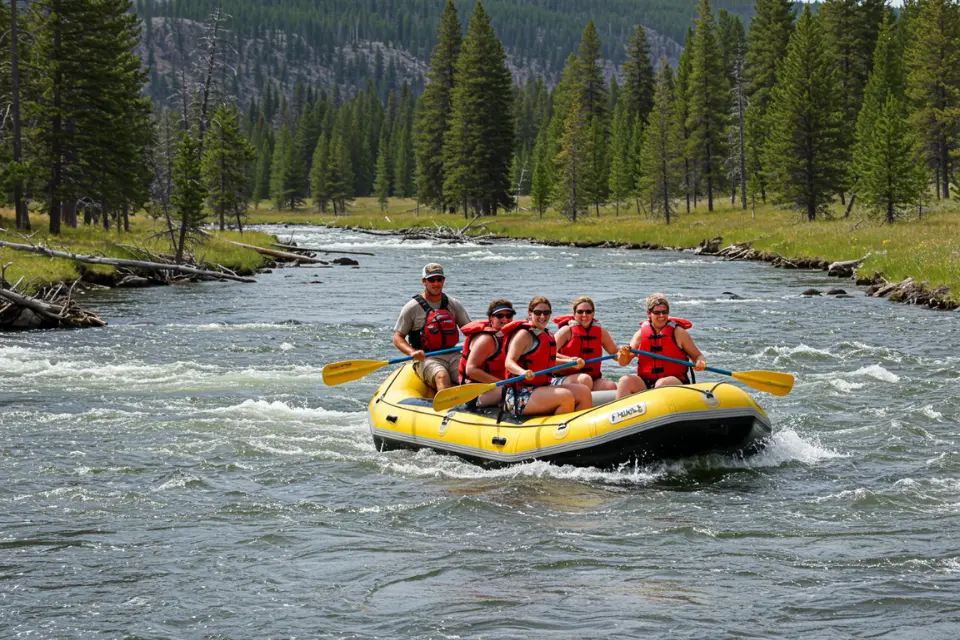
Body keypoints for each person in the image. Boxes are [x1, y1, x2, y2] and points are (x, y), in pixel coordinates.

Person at [501, 296, 592, 416]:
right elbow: (509, 362)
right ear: (530, 313)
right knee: (565, 396)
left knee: (584, 392)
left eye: (546, 312)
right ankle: (560, 431)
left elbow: (549, 362)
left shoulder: (548, 334)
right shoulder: (524, 335)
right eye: (538, 313)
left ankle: (582, 429)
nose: (543, 317)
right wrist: (523, 372)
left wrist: (572, 363)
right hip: (519, 394)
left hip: (542, 387)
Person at [393, 263, 470, 392]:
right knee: (442, 376)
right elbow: (397, 337)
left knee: (467, 377)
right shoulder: (412, 307)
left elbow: (469, 330)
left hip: (453, 354)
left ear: (443, 281)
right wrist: (412, 352)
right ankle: (447, 409)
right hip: (427, 357)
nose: (436, 284)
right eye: (431, 280)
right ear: (424, 282)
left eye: (439, 279)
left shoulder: (453, 304)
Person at [616, 293, 706, 397]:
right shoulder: (640, 334)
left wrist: (700, 362)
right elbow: (623, 363)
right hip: (647, 383)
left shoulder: (678, 333)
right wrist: (624, 354)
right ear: (649, 314)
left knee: (661, 384)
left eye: (664, 312)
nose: (661, 316)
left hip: (674, 383)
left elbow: (697, 355)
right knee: (625, 381)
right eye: (657, 312)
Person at [551, 296, 619, 392]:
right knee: (584, 380)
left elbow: (615, 353)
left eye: (588, 312)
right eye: (580, 312)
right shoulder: (566, 331)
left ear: (593, 314)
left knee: (610, 386)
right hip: (563, 378)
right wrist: (569, 360)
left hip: (592, 378)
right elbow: (549, 353)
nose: (584, 315)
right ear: (574, 314)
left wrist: (625, 353)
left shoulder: (600, 332)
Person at [457, 299, 516, 408]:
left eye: (509, 316)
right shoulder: (486, 340)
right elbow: (471, 370)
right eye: (500, 316)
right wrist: (502, 383)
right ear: (491, 319)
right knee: (510, 391)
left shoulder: (511, 337)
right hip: (475, 392)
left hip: (496, 387)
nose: (505, 319)